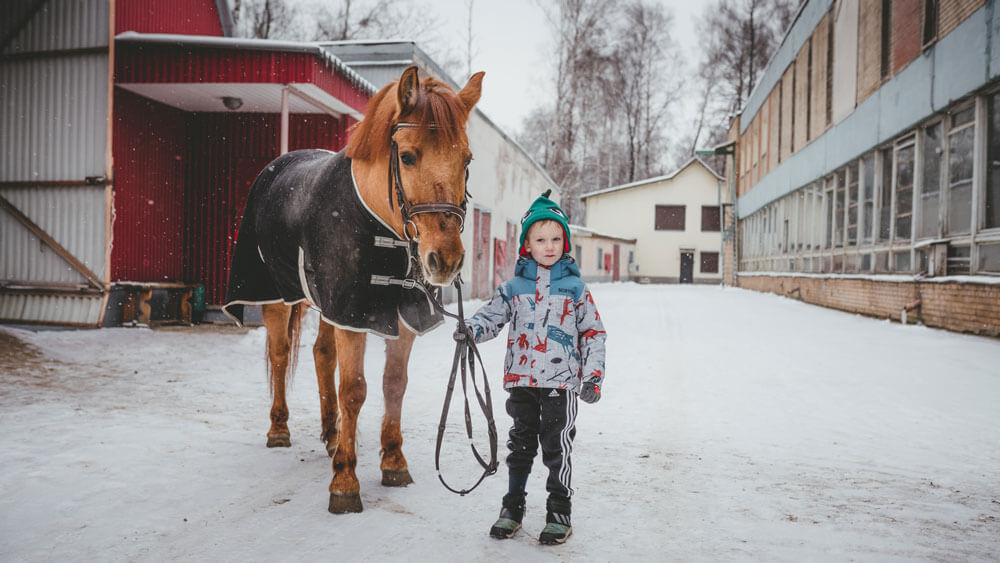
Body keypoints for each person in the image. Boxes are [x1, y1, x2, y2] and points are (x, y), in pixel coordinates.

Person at [455, 189, 607, 545]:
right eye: (541, 239)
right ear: (527, 244)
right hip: (522, 380)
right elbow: (492, 318)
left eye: (556, 239)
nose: (549, 246)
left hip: (562, 383)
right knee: (520, 445)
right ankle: (513, 506)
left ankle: (559, 509)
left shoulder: (576, 289)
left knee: (557, 446)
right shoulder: (513, 288)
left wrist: (594, 376)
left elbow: (593, 333)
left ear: (565, 242)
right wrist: (471, 330)